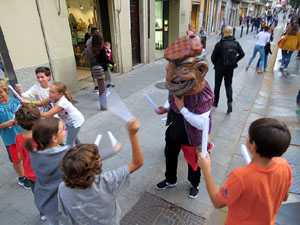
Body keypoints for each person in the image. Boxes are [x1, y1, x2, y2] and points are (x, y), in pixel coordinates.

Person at [197, 118, 292, 225]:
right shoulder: (284, 166)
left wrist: (206, 170)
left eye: (249, 136)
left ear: (253, 145)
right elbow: (284, 197)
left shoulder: (240, 177)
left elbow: (217, 202)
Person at [155, 35, 214, 199]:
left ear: (201, 70)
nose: (171, 77)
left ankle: (194, 184)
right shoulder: (177, 83)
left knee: (194, 161)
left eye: (181, 69)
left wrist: (182, 109)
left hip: (193, 134)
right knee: (170, 154)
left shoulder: (204, 95)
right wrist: (166, 108)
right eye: (170, 69)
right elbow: (172, 97)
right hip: (176, 128)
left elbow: (201, 124)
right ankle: (170, 179)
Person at [58, 117, 143, 225]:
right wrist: (133, 134)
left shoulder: (62, 188)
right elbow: (137, 163)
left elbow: (64, 216)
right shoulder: (108, 181)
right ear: (97, 166)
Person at [25, 117, 71, 224]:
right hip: (61, 204)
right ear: (54, 139)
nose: (65, 131)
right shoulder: (66, 155)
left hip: (44, 201)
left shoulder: (34, 152)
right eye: (63, 129)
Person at [27, 82, 84, 147]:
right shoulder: (53, 98)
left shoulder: (62, 102)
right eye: (50, 91)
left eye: (53, 92)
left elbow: (48, 114)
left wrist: (33, 112)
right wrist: (30, 102)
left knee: (69, 144)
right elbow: (41, 103)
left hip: (75, 122)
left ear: (60, 94)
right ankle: (84, 150)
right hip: (69, 121)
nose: (50, 93)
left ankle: (72, 155)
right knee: (75, 138)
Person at [14, 103, 46, 221]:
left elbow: (19, 156)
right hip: (45, 173)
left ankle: (42, 213)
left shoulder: (18, 137)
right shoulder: (42, 135)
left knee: (38, 195)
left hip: (30, 175)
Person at [211, 26, 245, 113]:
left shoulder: (219, 44)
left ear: (223, 33)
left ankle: (215, 102)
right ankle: (229, 102)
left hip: (219, 68)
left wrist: (216, 64)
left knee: (217, 85)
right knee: (228, 85)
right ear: (232, 33)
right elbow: (242, 54)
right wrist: (234, 61)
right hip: (230, 68)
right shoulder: (236, 43)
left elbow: (212, 57)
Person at [0, 78, 26, 188]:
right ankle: (22, 178)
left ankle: (30, 171)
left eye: (0, 91)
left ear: (7, 91)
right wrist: (5, 124)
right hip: (10, 140)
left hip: (23, 134)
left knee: (27, 154)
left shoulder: (15, 101)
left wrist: (20, 93)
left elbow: (25, 107)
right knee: (16, 160)